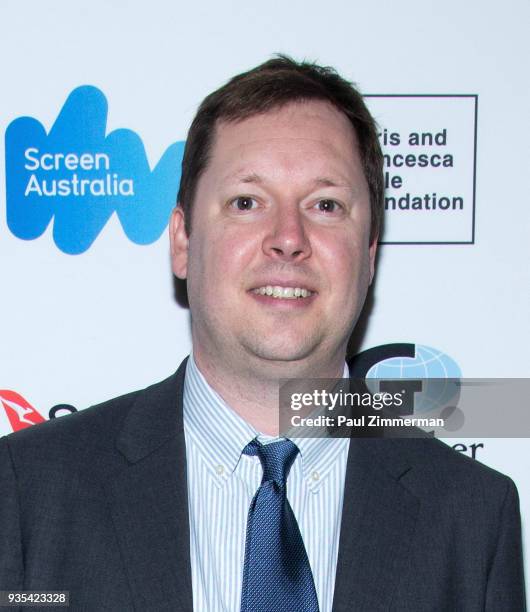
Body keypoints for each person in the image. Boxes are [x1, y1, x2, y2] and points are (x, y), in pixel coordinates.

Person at [0, 56, 525, 611]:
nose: (288, 238)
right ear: (182, 240)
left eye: (326, 205)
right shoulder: (27, 491)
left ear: (369, 253)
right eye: (246, 202)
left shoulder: (471, 517)